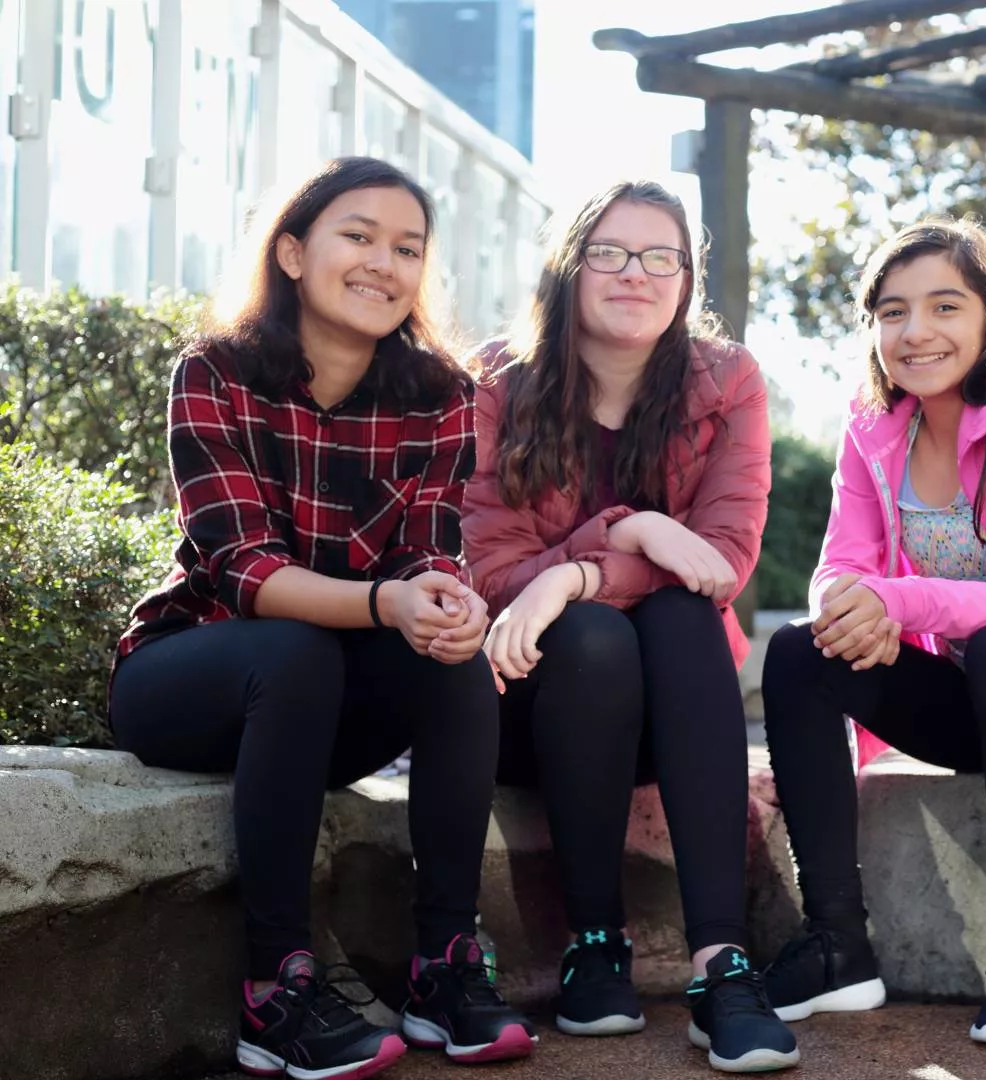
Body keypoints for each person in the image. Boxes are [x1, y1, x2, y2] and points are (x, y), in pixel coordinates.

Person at [110, 157, 533, 1079]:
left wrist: (448, 603)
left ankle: (444, 967)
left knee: (456, 660)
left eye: (409, 248)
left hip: (326, 706)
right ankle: (276, 991)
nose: (386, 262)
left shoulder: (444, 396)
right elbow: (244, 569)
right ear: (294, 253)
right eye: (360, 236)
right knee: (297, 648)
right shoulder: (214, 371)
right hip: (192, 677)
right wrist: (387, 603)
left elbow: (427, 548)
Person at [757, 219, 986, 1049]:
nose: (915, 331)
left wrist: (895, 601)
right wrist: (851, 610)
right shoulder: (871, 428)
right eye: (892, 312)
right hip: (974, 710)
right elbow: (837, 570)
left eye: (943, 306)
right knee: (797, 648)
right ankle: (836, 945)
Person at [460, 180, 794, 1073]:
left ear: (688, 278)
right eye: (608, 252)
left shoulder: (727, 382)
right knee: (594, 638)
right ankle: (594, 943)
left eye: (661, 257)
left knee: (687, 618)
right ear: (569, 268)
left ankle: (721, 965)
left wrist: (583, 564)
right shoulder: (498, 382)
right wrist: (634, 540)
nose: (634, 273)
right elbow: (492, 572)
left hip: (671, 719)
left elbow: (718, 562)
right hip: (532, 704)